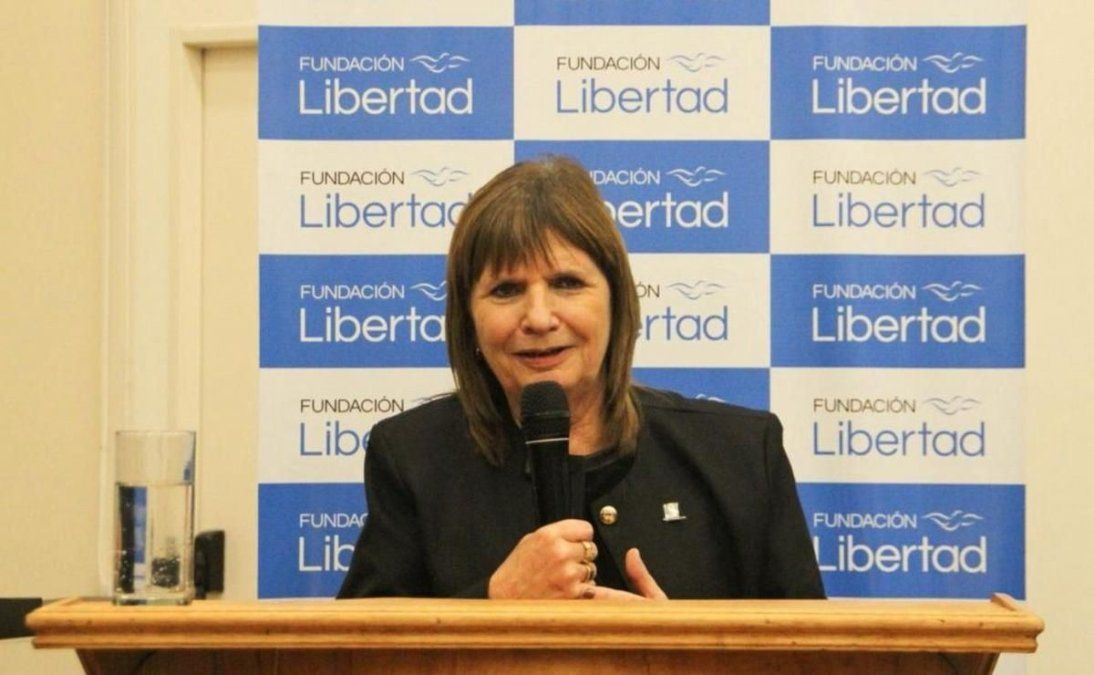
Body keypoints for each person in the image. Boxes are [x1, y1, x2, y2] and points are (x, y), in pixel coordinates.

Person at [337, 156, 824, 600]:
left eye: (566, 283)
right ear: (469, 321)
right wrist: (492, 604)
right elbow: (355, 657)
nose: (539, 317)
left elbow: (817, 659)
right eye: (506, 290)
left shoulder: (739, 455)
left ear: (617, 300)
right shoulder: (414, 459)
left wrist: (678, 647)